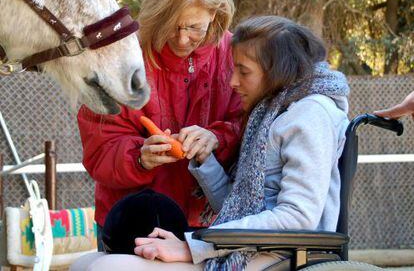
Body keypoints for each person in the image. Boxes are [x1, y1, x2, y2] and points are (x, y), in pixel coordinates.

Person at [71, 16, 350, 270]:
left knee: (107, 268)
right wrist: (205, 161)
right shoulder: (269, 114)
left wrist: (194, 247)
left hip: (279, 255)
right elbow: (236, 205)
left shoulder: (310, 115)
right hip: (247, 246)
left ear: (276, 70)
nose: (232, 81)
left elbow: (298, 217)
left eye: (244, 71)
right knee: (86, 263)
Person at [77, 0, 242, 250]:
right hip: (132, 221)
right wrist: (139, 158)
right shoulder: (124, 57)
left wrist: (216, 138)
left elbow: (253, 126)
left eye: (194, 27)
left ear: (215, 14)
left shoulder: (237, 55)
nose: (181, 38)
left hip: (210, 222)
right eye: (172, 25)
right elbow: (99, 148)